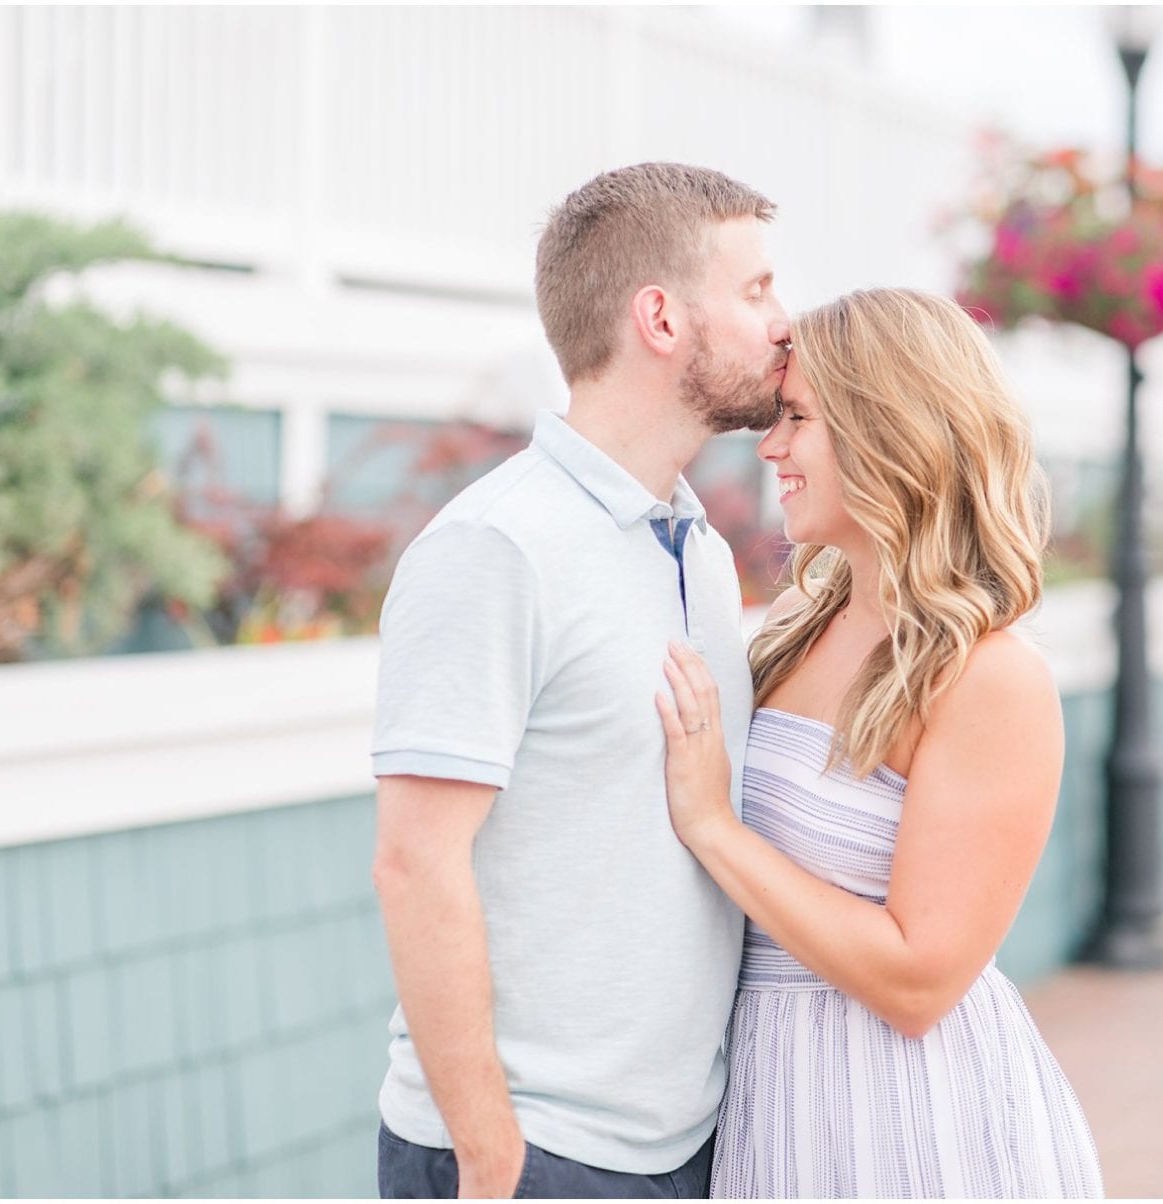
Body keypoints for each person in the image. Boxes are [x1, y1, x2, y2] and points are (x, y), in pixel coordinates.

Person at [370, 163, 790, 1199]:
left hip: (683, 1145)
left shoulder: (697, 545)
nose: (786, 324)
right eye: (755, 292)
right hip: (536, 1156)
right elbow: (416, 863)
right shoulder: (495, 546)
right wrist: (489, 1154)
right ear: (660, 317)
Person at [654, 288, 1105, 1199]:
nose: (769, 445)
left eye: (797, 418)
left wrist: (713, 826)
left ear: (887, 432)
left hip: (918, 1128)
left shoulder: (988, 676)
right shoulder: (793, 631)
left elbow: (918, 981)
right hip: (773, 1112)